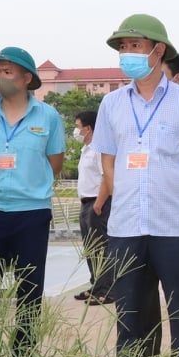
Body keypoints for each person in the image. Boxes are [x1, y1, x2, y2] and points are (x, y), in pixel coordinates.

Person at [92, 14, 179, 357]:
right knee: (131, 317)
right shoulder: (111, 104)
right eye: (122, 48)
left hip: (175, 227)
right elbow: (108, 159)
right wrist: (121, 193)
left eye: (134, 46)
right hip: (127, 227)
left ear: (157, 50)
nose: (127, 54)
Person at [0, 46, 65, 357]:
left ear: (26, 78)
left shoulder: (48, 116)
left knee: (29, 291)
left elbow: (54, 163)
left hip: (31, 213)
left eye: (7, 72)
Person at [73, 110, 114, 306]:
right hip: (86, 202)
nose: (76, 131)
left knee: (102, 248)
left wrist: (99, 202)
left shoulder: (99, 149)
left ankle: (106, 290)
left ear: (88, 128)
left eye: (78, 127)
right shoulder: (86, 149)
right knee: (91, 249)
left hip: (98, 203)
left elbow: (106, 175)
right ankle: (96, 285)